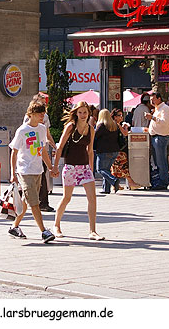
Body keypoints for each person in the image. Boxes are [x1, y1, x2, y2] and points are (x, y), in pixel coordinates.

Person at [8, 100, 58, 243]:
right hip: (25, 171)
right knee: (34, 202)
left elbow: (42, 151)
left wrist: (50, 167)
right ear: (31, 114)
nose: (42, 115)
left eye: (43, 113)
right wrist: (13, 173)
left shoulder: (42, 129)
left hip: (38, 170)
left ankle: (14, 226)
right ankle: (44, 231)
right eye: (39, 113)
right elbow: (14, 152)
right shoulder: (22, 131)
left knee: (26, 201)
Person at [54, 101, 103, 240]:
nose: (82, 115)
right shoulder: (71, 126)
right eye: (80, 112)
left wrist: (91, 170)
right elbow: (60, 146)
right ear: (76, 113)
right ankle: (56, 225)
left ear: (89, 114)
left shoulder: (91, 129)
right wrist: (56, 166)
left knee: (92, 198)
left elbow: (90, 150)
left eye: (85, 112)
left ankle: (93, 231)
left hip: (84, 167)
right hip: (70, 166)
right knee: (66, 198)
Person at [21, 97, 55, 212]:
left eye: (44, 105)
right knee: (31, 198)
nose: (42, 114)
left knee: (42, 179)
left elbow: (47, 135)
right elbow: (23, 139)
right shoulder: (27, 122)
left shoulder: (43, 122)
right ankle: (37, 210)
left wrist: (54, 146)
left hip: (39, 152)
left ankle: (43, 202)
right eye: (41, 103)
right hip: (28, 160)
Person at [144, 92, 169, 190]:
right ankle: (161, 180)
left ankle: (163, 182)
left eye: (153, 99)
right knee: (158, 161)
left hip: (160, 138)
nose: (151, 101)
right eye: (150, 99)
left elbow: (164, 122)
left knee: (161, 161)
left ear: (159, 98)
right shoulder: (158, 109)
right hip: (156, 137)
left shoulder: (165, 108)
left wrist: (152, 117)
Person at [109, 107, 141, 190]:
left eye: (121, 115)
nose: (121, 117)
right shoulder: (117, 124)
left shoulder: (113, 124)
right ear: (115, 117)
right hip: (119, 150)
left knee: (115, 167)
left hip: (114, 149)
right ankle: (131, 182)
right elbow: (125, 134)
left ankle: (115, 184)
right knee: (123, 166)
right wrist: (126, 127)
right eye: (119, 115)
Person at [94, 109, 120, 194]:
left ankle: (114, 180)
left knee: (100, 169)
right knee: (107, 169)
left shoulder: (102, 125)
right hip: (115, 151)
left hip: (104, 151)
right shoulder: (114, 125)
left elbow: (95, 136)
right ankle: (106, 189)